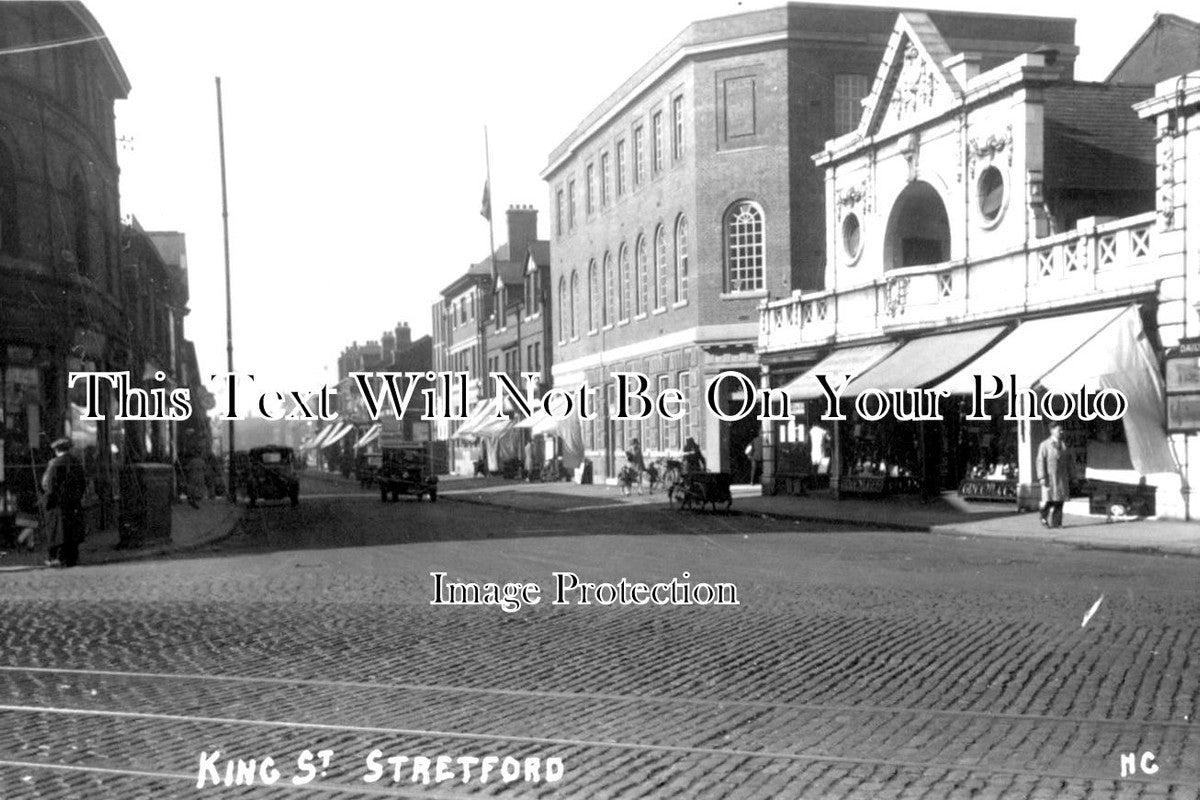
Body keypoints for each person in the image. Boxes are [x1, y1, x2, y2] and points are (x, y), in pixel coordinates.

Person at [42, 438, 87, 568]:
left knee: (57, 532)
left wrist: (47, 501)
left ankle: (57, 558)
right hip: (73, 503)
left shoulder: (55, 464)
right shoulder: (75, 462)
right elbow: (82, 483)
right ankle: (72, 558)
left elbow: (49, 484)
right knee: (72, 531)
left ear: (56, 450)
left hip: (57, 504)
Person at [1036, 422, 1071, 529]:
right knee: (1049, 500)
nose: (1061, 432)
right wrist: (1041, 477)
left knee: (1059, 501)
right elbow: (1040, 461)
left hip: (1061, 478)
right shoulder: (1045, 445)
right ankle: (1043, 517)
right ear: (1052, 431)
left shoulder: (1064, 445)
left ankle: (1057, 523)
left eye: (1061, 430)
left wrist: (1072, 475)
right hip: (1050, 477)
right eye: (1058, 430)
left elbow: (1070, 461)